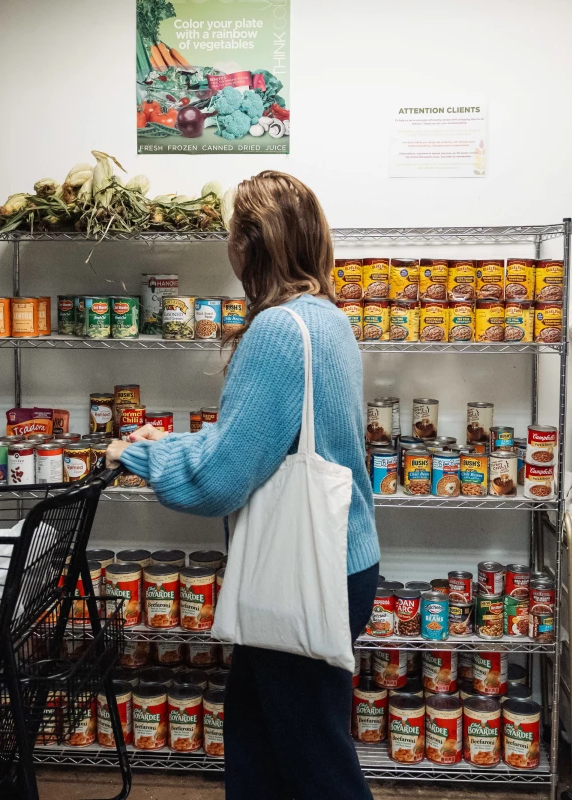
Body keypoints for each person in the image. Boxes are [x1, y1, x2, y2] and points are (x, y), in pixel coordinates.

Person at [106, 170, 379, 799]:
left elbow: (221, 481)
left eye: (233, 233)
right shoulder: (326, 320)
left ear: (248, 245)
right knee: (257, 738)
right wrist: (169, 442)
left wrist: (137, 456)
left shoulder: (278, 332)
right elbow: (255, 446)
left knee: (317, 765)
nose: (228, 246)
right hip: (340, 562)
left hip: (305, 573)